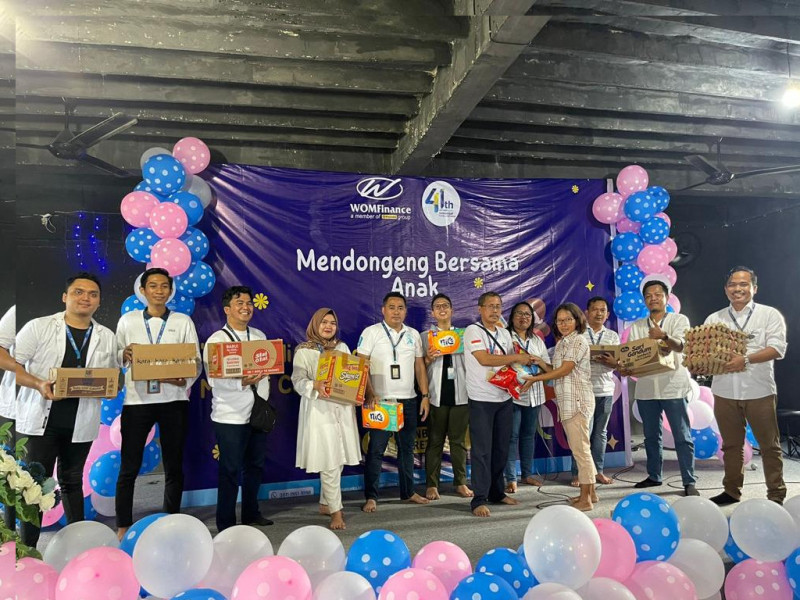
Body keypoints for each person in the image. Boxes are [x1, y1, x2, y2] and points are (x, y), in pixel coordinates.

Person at [14, 274, 117, 548]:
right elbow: (13, 366)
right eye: (78, 292)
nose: (86, 298)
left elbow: (110, 376)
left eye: (93, 294)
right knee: (35, 485)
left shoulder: (106, 336)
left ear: (99, 301)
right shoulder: (39, 327)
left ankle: (78, 545)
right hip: (42, 421)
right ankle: (28, 549)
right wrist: (38, 384)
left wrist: (111, 386)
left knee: (72, 481)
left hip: (80, 422)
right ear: (65, 297)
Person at [115, 267, 201, 540]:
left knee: (173, 464)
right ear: (143, 290)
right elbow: (115, 356)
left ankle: (171, 518)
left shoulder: (182, 321)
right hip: (137, 400)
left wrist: (183, 381)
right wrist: (125, 354)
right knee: (129, 466)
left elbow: (195, 360)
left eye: (164, 286)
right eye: (153, 286)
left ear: (170, 291)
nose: (159, 291)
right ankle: (123, 524)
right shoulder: (128, 320)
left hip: (173, 400)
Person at [703, 266, 787, 505]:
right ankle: (731, 491)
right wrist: (702, 364)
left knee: (769, 446)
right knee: (731, 445)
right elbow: (706, 352)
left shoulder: (769, 314)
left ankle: (776, 494)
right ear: (725, 289)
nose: (737, 289)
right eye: (732, 284)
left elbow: (777, 348)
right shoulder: (714, 319)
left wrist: (746, 359)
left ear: (754, 288)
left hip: (758, 390)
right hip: (724, 391)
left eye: (743, 284)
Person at [203, 286, 273, 531]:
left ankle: (251, 513)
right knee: (230, 470)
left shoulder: (259, 336)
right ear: (227, 309)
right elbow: (213, 380)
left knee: (255, 467)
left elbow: (268, 371)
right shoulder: (217, 340)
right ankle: (226, 522)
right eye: (239, 303)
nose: (246, 307)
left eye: (249, 303)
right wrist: (241, 382)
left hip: (257, 414)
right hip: (229, 416)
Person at [463, 291, 535, 517]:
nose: (495, 310)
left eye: (498, 306)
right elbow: (484, 359)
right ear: (480, 309)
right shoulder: (473, 330)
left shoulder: (504, 333)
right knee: (482, 451)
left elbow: (513, 364)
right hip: (481, 399)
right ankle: (479, 499)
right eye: (490, 306)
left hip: (504, 397)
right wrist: (516, 358)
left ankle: (496, 492)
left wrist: (525, 377)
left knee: (501, 449)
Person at [625, 275, 698, 497]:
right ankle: (654, 476)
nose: (653, 298)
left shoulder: (679, 320)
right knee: (650, 436)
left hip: (673, 385)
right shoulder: (637, 326)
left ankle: (689, 481)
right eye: (648, 296)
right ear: (644, 301)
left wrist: (664, 336)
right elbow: (634, 356)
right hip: (646, 388)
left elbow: (681, 346)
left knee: (682, 435)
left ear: (667, 298)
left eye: (658, 294)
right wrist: (626, 367)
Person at [357, 292, 430, 512]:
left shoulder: (413, 334)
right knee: (376, 450)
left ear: (405, 311)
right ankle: (371, 497)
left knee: (407, 450)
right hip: (381, 401)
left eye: (400, 307)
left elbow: (419, 366)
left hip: (408, 400)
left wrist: (425, 396)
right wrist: (370, 393)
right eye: (392, 307)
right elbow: (361, 365)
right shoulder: (371, 332)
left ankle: (408, 493)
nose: (396, 312)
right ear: (383, 310)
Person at [292, 307, 361, 529]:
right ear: (315, 324)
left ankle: (325, 503)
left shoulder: (342, 347)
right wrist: (314, 384)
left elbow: (351, 376)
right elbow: (297, 380)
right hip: (319, 411)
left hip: (342, 409)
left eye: (332, 322)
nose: (329, 326)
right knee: (329, 461)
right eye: (324, 322)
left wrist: (357, 391)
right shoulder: (304, 351)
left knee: (337, 460)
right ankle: (336, 513)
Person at [525, 303, 597, 511]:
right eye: (560, 321)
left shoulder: (577, 340)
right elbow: (556, 369)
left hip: (577, 402)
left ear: (577, 320)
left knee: (581, 450)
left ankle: (586, 499)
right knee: (581, 449)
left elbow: (565, 370)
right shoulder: (563, 343)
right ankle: (591, 493)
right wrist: (540, 363)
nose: (564, 324)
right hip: (567, 401)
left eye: (568, 320)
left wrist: (536, 379)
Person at [422, 294, 472, 501]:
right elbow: (418, 368)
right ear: (432, 313)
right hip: (436, 396)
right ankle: (431, 484)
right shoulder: (425, 337)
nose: (442, 309)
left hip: (461, 395)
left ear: (452, 310)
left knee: (458, 442)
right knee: (435, 441)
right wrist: (428, 358)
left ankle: (460, 482)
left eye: (445, 306)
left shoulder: (464, 335)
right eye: (437, 306)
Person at [570, 296, 620, 487]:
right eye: (595, 309)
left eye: (602, 310)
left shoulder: (612, 336)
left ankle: (598, 471)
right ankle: (578, 473)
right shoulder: (578, 335)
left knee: (600, 433)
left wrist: (613, 362)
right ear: (587, 313)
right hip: (583, 390)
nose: (599, 313)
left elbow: (618, 363)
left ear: (607, 314)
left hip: (605, 390)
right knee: (582, 434)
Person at [504, 301, 549, 494]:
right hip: (511, 395)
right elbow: (498, 365)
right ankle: (510, 478)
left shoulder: (537, 339)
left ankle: (527, 474)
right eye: (519, 313)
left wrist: (538, 363)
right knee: (511, 436)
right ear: (512, 317)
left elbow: (548, 368)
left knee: (528, 435)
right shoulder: (505, 337)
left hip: (534, 395)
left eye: (527, 315)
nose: (523, 318)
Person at [0, 306, 16, 531]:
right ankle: (11, 530)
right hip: (18, 407)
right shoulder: (18, 311)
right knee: (14, 471)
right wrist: (26, 372)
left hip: (63, 408)